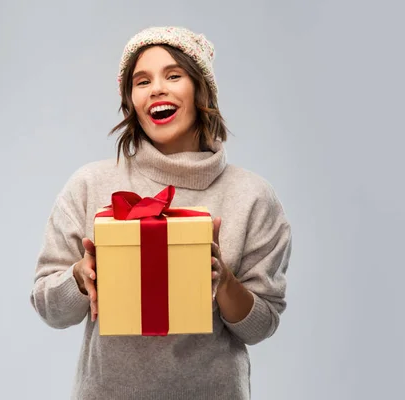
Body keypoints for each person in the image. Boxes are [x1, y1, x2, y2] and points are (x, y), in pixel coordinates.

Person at [29, 26, 293, 400]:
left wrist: (223, 281)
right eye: (142, 81)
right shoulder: (90, 184)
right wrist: (79, 276)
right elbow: (48, 308)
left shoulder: (252, 197)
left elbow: (261, 327)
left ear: (202, 89)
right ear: (131, 100)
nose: (157, 89)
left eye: (173, 75)